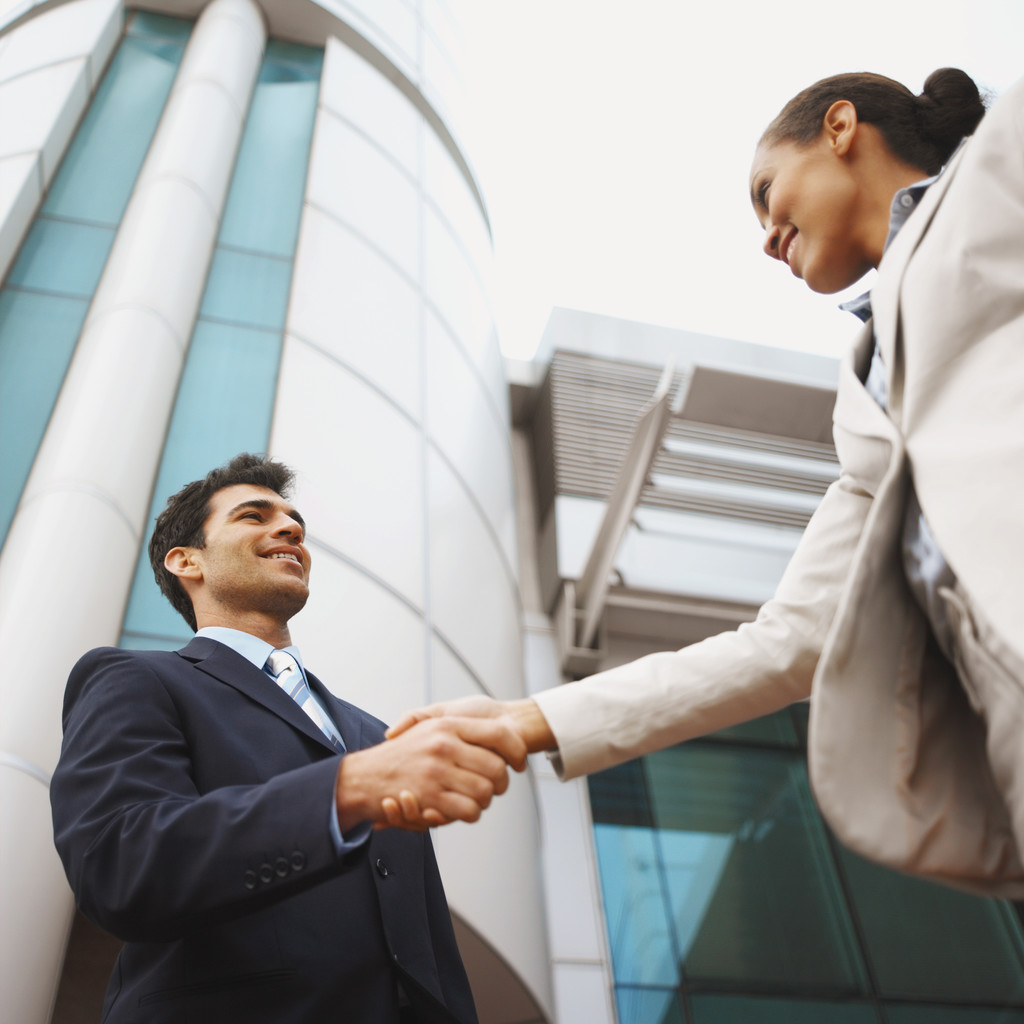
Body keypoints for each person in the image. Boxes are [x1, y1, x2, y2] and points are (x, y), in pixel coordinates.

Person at [387, 68, 1024, 897]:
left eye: (767, 193)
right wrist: (526, 720)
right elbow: (786, 643)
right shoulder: (863, 395)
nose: (765, 237)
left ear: (840, 128)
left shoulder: (996, 178)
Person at [50, 453, 527, 1023]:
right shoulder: (136, 680)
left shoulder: (377, 735)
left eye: (294, 519)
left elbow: (426, 943)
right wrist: (345, 790)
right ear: (186, 561)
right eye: (254, 515)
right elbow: (123, 868)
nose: (291, 528)